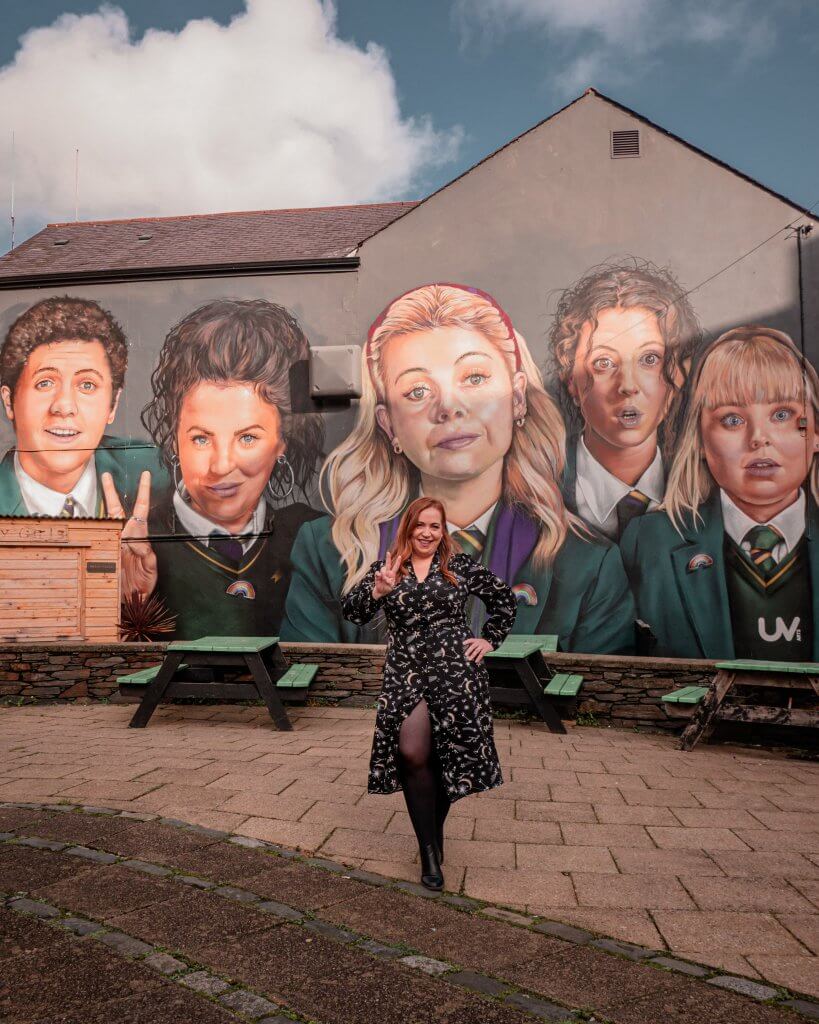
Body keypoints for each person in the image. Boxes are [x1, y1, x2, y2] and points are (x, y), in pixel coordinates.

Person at [282, 282, 635, 653]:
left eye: (475, 378)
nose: (448, 407)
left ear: (516, 398)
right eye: (417, 391)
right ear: (389, 425)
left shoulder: (588, 564)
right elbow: (315, 695)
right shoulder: (328, 551)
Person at [342, 496, 516, 890]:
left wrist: (489, 639)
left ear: (443, 532)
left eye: (435, 526)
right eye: (421, 525)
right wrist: (378, 591)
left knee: (447, 756)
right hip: (405, 672)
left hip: (455, 674)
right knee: (412, 752)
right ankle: (428, 850)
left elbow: (503, 600)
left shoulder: (459, 566)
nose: (427, 532)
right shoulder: (388, 569)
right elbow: (352, 612)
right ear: (408, 527)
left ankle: (431, 845)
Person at [621, 325, 819, 660]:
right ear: (699, 440)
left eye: (782, 414)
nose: (759, 438)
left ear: (815, 433)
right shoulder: (652, 541)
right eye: (732, 420)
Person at [135, 298, 324, 638]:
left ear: (282, 441)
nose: (222, 466)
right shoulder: (137, 543)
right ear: (175, 438)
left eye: (248, 438)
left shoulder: (313, 538)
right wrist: (124, 601)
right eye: (201, 439)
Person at [548, 261, 700, 541]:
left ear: (678, 374)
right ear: (571, 380)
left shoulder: (708, 490)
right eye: (603, 362)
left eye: (649, 359)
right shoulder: (535, 491)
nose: (628, 386)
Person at [0, 296, 163, 518]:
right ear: (9, 401)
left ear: (113, 405)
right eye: (44, 383)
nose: (64, 406)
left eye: (87, 385)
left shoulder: (160, 473)